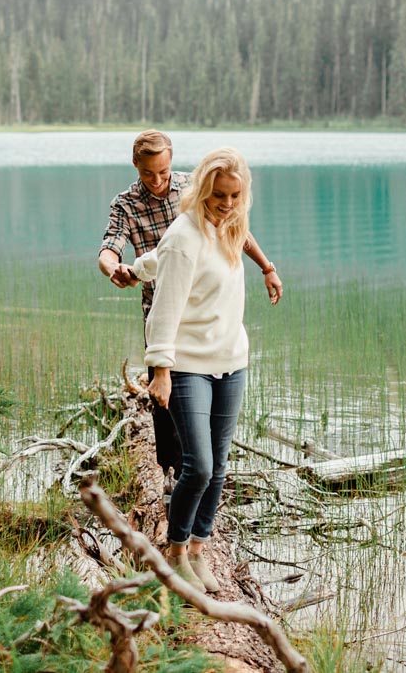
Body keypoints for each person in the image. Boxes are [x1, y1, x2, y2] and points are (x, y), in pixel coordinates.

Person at [98, 130, 282, 500]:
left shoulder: (193, 186)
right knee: (164, 402)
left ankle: (201, 474)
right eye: (149, 173)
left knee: (207, 409)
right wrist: (114, 269)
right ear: (136, 165)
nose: (158, 180)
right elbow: (110, 247)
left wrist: (266, 267)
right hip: (161, 310)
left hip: (204, 308)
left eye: (163, 171)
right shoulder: (126, 204)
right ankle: (171, 474)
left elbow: (236, 229)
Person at [132, 147, 253, 594]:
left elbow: (159, 260)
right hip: (188, 366)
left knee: (219, 466)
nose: (226, 203)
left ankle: (199, 549)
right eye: (219, 195)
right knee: (198, 466)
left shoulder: (231, 227)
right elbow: (164, 307)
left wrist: (138, 267)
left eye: (234, 196)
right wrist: (159, 369)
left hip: (231, 362)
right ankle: (176, 550)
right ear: (203, 189)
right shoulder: (185, 235)